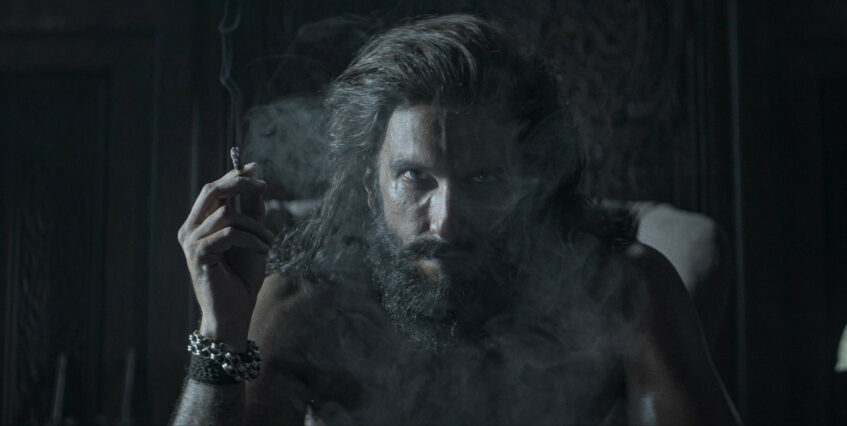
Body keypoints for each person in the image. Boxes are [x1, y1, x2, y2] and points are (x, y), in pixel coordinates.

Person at [172, 14, 739, 425]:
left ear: (533, 180)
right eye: (415, 177)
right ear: (369, 183)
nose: (447, 223)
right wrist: (220, 333)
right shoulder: (307, 306)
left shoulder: (621, 290)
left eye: (484, 180)